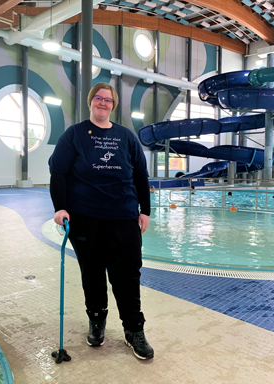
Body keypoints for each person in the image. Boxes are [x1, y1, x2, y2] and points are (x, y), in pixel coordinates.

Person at [48, 82, 154, 360]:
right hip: (85, 218)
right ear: (90, 102)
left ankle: (134, 330)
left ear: (113, 105)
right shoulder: (74, 135)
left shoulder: (126, 137)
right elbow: (58, 173)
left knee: (128, 275)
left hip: (123, 217)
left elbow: (141, 175)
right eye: (98, 98)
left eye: (108, 100)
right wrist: (60, 208)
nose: (103, 103)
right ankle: (97, 320)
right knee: (92, 274)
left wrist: (146, 210)